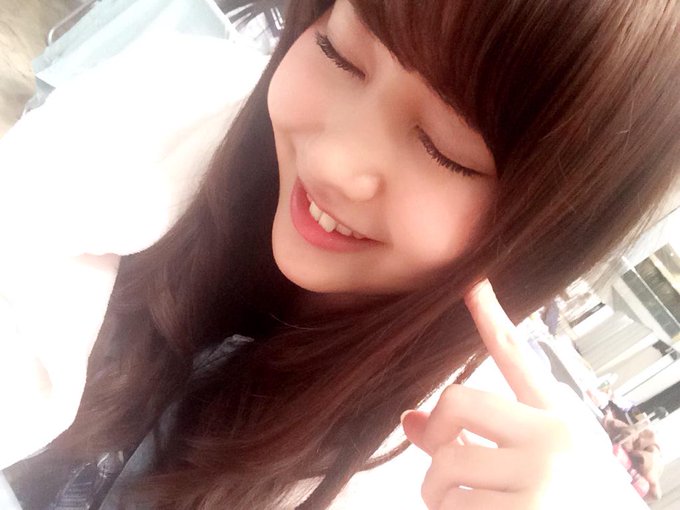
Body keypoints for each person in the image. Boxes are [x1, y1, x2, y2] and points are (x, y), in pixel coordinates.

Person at [1, 0, 679, 508]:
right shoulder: (164, 105)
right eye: (340, 53)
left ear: (544, 232)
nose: (332, 160)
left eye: (444, 149)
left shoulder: (446, 470)